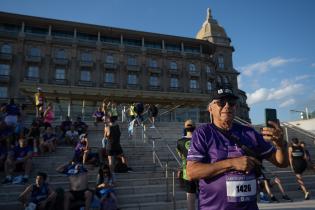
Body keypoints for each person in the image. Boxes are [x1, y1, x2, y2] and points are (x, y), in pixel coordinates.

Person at [186, 87, 288, 210]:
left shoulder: (249, 132)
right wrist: (232, 163)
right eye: (221, 102)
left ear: (236, 107)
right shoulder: (203, 133)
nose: (227, 106)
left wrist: (280, 145)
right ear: (210, 108)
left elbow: (282, 163)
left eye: (231, 103)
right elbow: (191, 172)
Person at [176, 119, 197, 210]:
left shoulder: (180, 141)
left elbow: (180, 155)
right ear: (195, 128)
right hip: (202, 171)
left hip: (187, 172)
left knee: (190, 196)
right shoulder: (200, 139)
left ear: (185, 128)